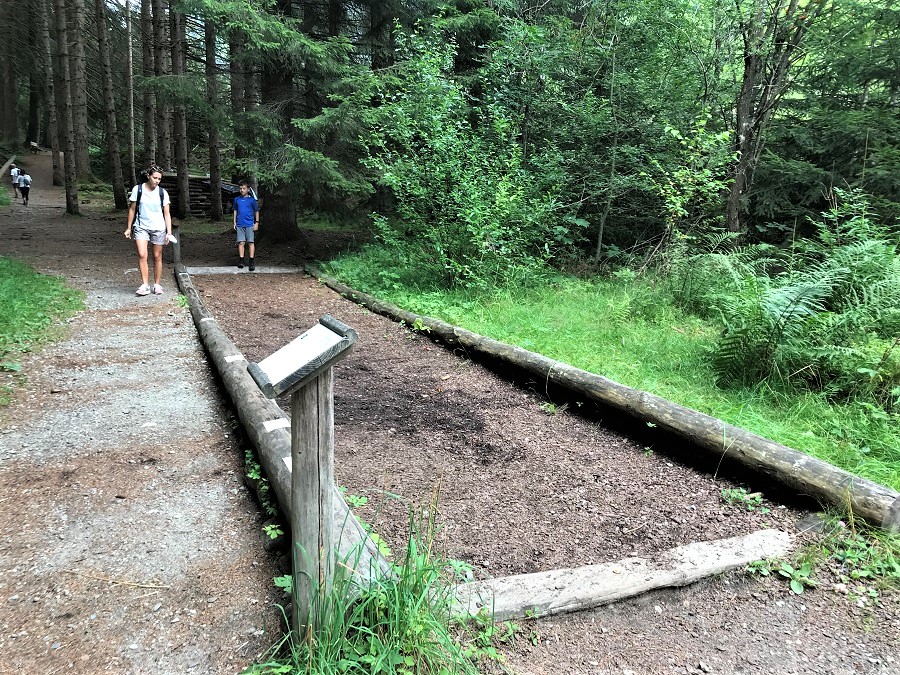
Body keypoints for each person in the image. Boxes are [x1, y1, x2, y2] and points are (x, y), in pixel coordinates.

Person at [124, 164, 173, 296]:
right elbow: (132, 209)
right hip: (141, 226)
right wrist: (129, 228)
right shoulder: (138, 189)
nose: (157, 181)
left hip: (159, 227)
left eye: (159, 179)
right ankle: (145, 285)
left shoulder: (163, 193)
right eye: (155, 178)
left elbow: (167, 214)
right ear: (148, 176)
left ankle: (157, 284)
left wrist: (169, 232)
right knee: (142, 254)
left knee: (157, 256)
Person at [232, 180, 259, 271]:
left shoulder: (252, 200)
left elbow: (256, 211)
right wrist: (234, 222)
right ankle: (241, 260)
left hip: (250, 224)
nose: (242, 190)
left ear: (248, 189)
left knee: (251, 242)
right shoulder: (237, 199)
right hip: (240, 224)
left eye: (244, 188)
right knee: (241, 242)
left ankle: (251, 261)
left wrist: (256, 222)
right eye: (240, 188)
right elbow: (235, 211)